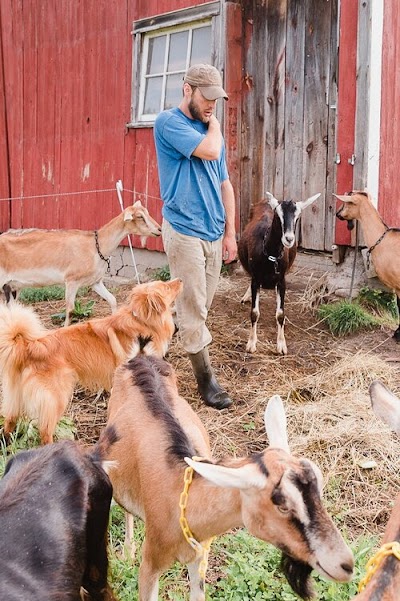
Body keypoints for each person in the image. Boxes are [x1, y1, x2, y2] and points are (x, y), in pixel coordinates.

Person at [154, 63, 237, 410]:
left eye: (217, 102)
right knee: (193, 310)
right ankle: (207, 382)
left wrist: (231, 232)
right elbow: (210, 151)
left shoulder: (210, 130)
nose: (211, 107)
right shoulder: (169, 122)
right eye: (207, 99)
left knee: (199, 305)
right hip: (184, 229)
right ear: (187, 90)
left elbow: (225, 183)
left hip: (213, 232)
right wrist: (214, 125)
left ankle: (157, 341)